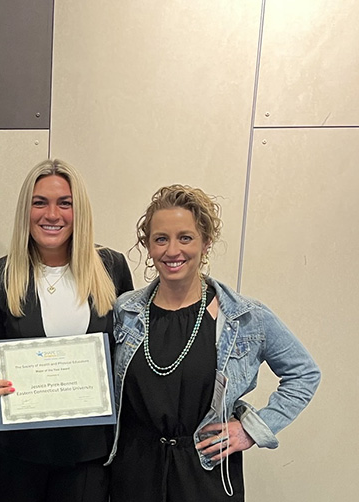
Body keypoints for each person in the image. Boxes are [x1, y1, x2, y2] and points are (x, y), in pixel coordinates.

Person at [106, 184, 321, 501]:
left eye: (186, 237)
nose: (172, 250)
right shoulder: (126, 311)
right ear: (148, 247)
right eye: (161, 238)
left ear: (206, 242)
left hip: (207, 476)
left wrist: (252, 430)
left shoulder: (245, 317)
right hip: (135, 473)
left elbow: (304, 373)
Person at [0, 159, 133, 502]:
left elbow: (124, 350)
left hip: (87, 451)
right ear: (25, 210)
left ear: (80, 211)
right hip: (16, 450)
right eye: (40, 202)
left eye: (65, 203)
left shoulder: (111, 268)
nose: (52, 214)